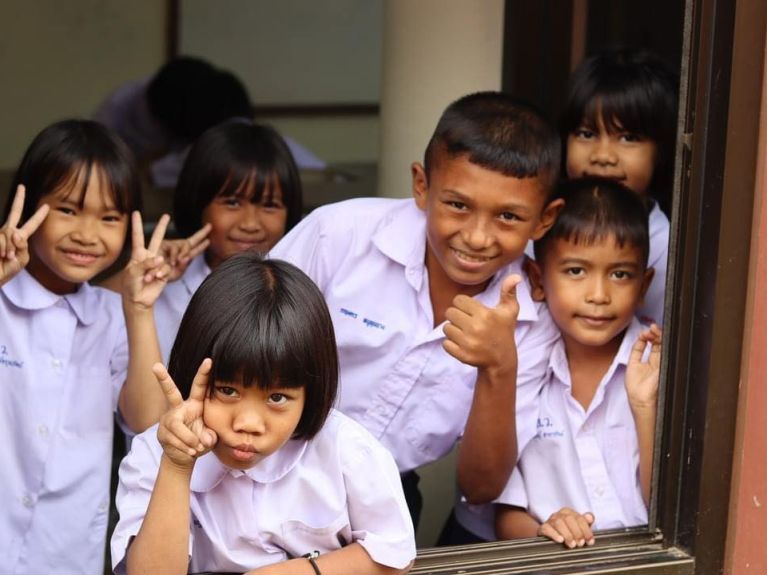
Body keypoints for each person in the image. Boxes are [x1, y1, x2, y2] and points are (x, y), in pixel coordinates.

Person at [269, 91, 564, 540]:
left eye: (508, 216)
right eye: (458, 205)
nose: (478, 237)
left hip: (387, 501)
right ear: (422, 186)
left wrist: (498, 367)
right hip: (264, 464)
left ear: (544, 220)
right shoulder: (339, 236)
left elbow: (481, 488)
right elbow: (240, 342)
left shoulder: (533, 316)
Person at [111, 253, 416, 574]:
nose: (249, 423)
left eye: (278, 397)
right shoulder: (154, 453)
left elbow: (395, 554)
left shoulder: (347, 449)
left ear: (311, 392)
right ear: (191, 371)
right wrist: (176, 466)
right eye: (228, 391)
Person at [0, 119, 171, 574]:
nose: (88, 234)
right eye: (68, 210)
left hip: (65, 549)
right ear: (26, 203)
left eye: (110, 217)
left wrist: (138, 309)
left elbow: (147, 421)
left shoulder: (115, 315)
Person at [494, 178, 662, 548]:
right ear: (537, 279)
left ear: (643, 286)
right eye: (575, 271)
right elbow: (505, 517)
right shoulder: (521, 370)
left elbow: (676, 511)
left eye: (620, 274)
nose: (599, 295)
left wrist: (645, 407)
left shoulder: (660, 366)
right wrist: (546, 532)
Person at [154, 119, 303, 362]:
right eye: (232, 203)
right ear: (198, 203)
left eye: (269, 205)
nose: (250, 224)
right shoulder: (164, 290)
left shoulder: (304, 289)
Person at [560, 48, 678, 326]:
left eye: (627, 138)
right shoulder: (540, 230)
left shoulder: (670, 257)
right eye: (586, 134)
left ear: (660, 151)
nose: (603, 156)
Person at [94, 57, 326, 189]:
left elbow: (150, 177)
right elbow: (325, 175)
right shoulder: (283, 142)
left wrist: (152, 158)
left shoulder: (198, 153)